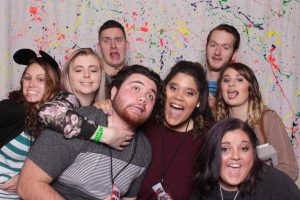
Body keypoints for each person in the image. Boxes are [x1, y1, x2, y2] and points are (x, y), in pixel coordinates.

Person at [17, 65, 162, 200]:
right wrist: (102, 134)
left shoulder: (144, 150)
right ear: (114, 92)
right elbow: (28, 185)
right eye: (136, 88)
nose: (143, 98)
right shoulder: (74, 123)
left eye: (150, 96)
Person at [138, 61, 214, 199]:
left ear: (198, 101)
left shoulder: (209, 135)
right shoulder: (144, 121)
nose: (178, 97)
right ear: (163, 90)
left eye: (189, 93)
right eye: (173, 88)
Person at [215, 62, 298, 180]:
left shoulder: (268, 119)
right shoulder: (217, 127)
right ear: (221, 89)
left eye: (239, 80)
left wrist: (252, 179)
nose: (231, 84)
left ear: (250, 88)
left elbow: (290, 170)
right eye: (226, 80)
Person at [38, 48, 133, 150]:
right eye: (78, 70)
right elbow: (45, 112)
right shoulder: (67, 98)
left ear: (101, 75)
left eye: (93, 70)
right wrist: (104, 135)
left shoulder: (103, 104)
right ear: (68, 75)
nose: (86, 75)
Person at [0, 48, 60, 199]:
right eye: (27, 78)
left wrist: (23, 177)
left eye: (40, 79)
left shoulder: (56, 121)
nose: (31, 84)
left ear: (51, 85)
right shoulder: (13, 109)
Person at [191, 118, 300, 200]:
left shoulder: (277, 185)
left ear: (253, 153)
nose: (236, 156)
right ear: (212, 153)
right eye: (225, 149)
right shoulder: (203, 187)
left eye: (244, 148)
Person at [205, 24, 240, 112]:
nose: (217, 52)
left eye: (225, 48)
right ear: (206, 47)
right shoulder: (191, 82)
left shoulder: (239, 90)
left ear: (234, 55)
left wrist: (216, 110)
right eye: (213, 45)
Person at [97, 19, 129, 100]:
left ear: (126, 45)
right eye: (106, 41)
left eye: (118, 40)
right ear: (99, 47)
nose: (113, 46)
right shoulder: (90, 80)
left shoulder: (136, 78)